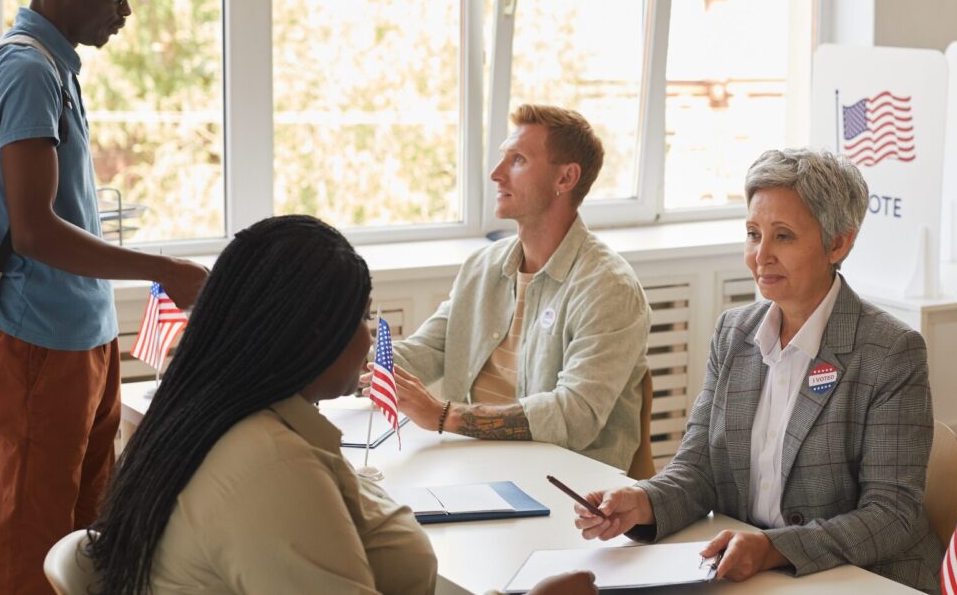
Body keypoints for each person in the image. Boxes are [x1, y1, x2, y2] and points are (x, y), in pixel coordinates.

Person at [87, 215, 598, 595]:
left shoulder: (214, 416)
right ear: (313, 335)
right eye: (362, 317)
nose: (371, 334)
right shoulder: (269, 465)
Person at [573, 149, 943, 594]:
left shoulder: (891, 351)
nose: (760, 256)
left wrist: (774, 547)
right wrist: (643, 501)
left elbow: (891, 515)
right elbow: (698, 469)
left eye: (783, 237)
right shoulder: (734, 332)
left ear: (838, 243)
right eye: (753, 234)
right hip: (750, 575)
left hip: (858, 578)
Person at [0, 0, 208, 594]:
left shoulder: (56, 68)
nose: (127, 11)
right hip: (35, 345)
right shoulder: (25, 71)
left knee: (82, 546)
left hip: (83, 340)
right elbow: (35, 230)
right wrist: (164, 271)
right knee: (28, 554)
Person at [377, 104, 649, 472]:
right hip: (478, 465)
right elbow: (427, 351)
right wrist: (343, 358)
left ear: (565, 179)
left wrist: (445, 416)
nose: (495, 174)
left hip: (569, 485)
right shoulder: (483, 266)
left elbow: (575, 415)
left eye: (517, 160)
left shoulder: (608, 288)